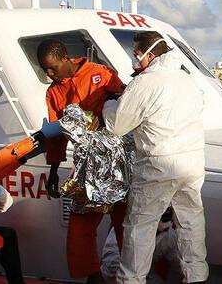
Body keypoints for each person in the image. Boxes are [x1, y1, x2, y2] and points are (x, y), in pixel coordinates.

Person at [102, 31, 208, 284]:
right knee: (191, 221)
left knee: (140, 227)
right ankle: (197, 276)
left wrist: (109, 104)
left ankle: (132, 280)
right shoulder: (187, 79)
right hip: (191, 163)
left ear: (149, 54)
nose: (135, 58)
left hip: (158, 165)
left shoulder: (145, 82)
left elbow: (117, 125)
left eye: (137, 52)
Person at [37, 39, 126, 283]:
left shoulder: (100, 74)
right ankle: (93, 277)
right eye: (44, 69)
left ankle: (133, 275)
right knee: (79, 229)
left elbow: (129, 104)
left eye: (52, 67)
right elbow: (57, 133)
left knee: (124, 224)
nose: (48, 73)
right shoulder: (53, 92)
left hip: (119, 162)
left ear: (66, 58)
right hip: (87, 167)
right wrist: (54, 169)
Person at [101, 208, 182, 284]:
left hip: (147, 274)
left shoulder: (168, 234)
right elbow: (111, 268)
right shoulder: (128, 229)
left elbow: (178, 264)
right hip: (120, 273)